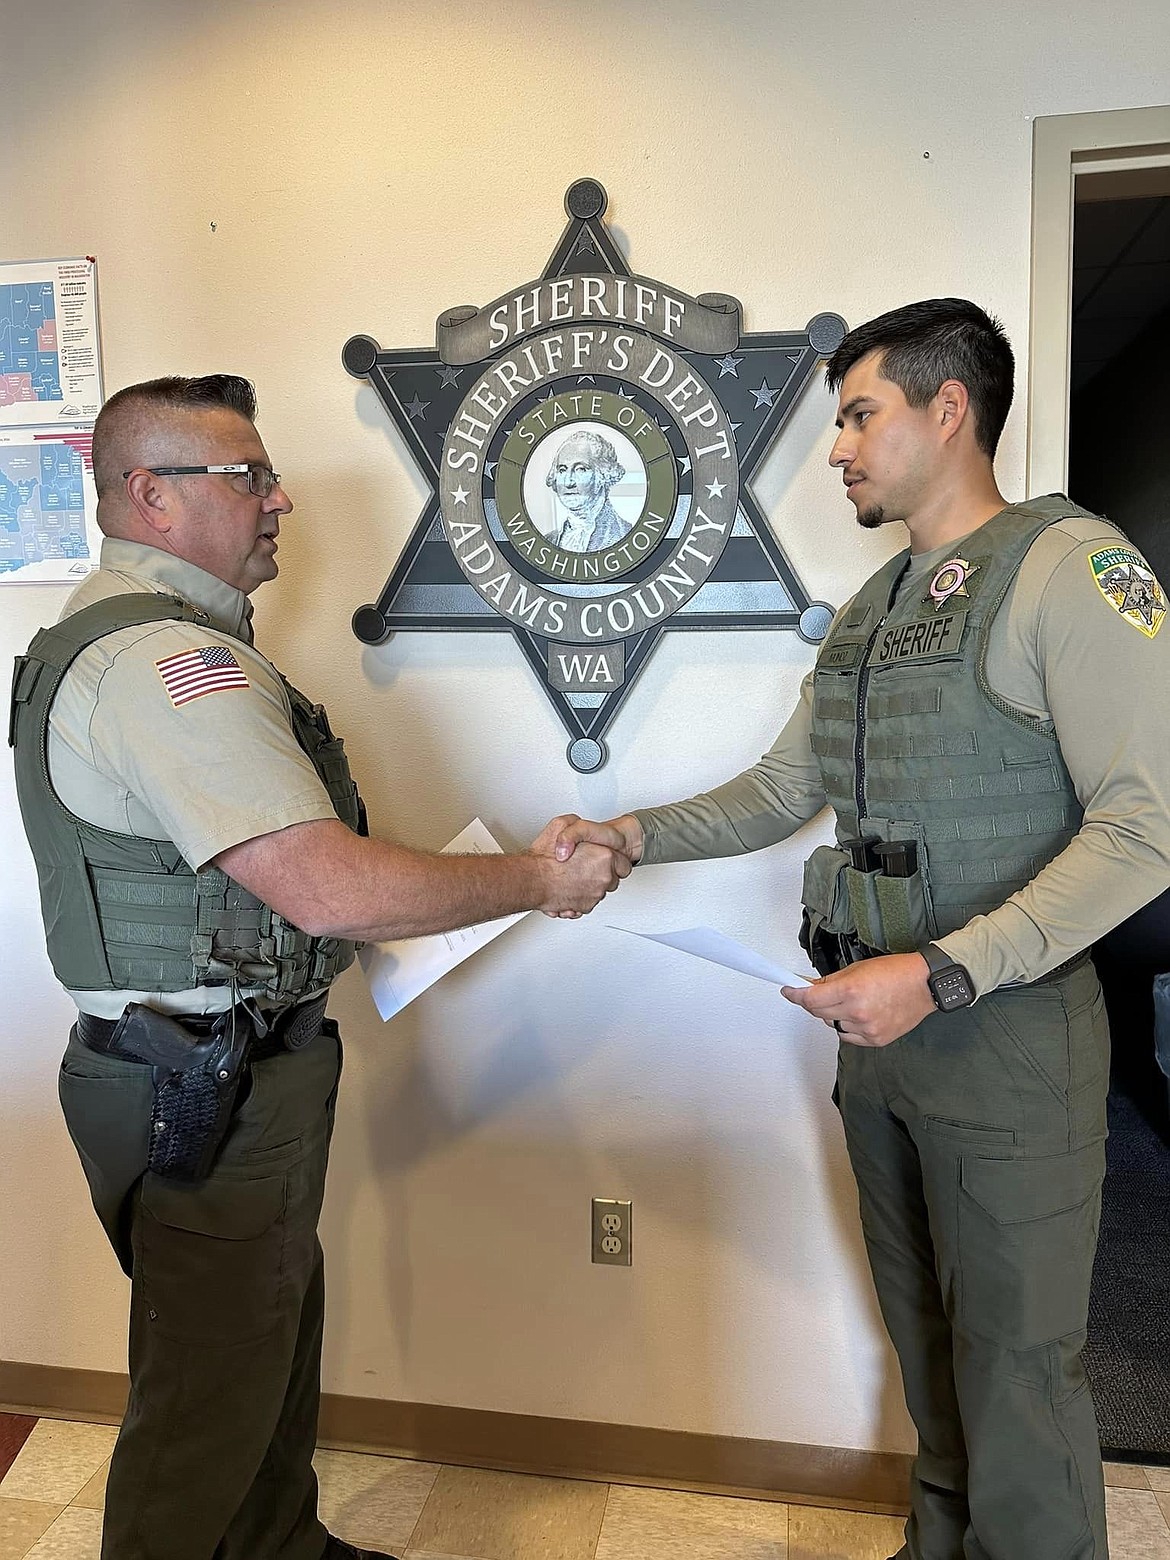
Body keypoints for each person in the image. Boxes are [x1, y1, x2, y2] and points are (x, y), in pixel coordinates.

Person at [554, 299, 1170, 1560]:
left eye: (857, 414)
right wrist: (631, 836)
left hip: (1004, 1039)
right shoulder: (871, 609)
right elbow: (788, 791)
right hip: (878, 1047)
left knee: (1018, 1374)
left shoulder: (1074, 572)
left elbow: (1146, 827)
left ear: (951, 411)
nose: (835, 448)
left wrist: (942, 975)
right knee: (929, 1352)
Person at [9, 374, 631, 1560]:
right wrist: (538, 882)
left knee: (264, 1347)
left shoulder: (134, 643)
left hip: (216, 1071)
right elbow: (329, 887)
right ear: (150, 494)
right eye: (246, 475)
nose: (279, 497)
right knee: (206, 1395)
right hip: (199, 1083)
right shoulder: (164, 668)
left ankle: (280, 1546)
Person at [544, 429, 632, 551]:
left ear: (603, 475)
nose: (568, 482)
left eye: (580, 469)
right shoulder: (548, 540)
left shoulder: (625, 535)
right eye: (562, 470)